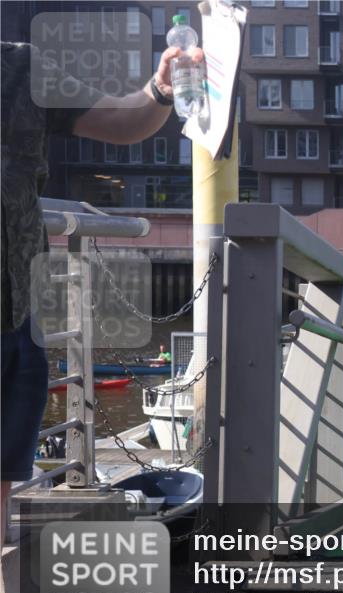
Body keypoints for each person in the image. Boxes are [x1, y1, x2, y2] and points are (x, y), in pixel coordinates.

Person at [1, 40, 203, 543]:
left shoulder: (22, 66)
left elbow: (122, 121)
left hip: (13, 311)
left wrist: (159, 89)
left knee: (0, 484)